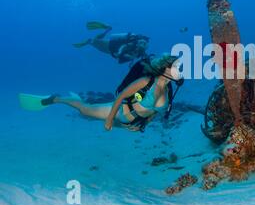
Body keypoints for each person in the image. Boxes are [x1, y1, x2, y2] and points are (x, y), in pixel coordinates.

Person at [19, 54, 184, 132]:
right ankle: (57, 99)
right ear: (164, 68)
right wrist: (109, 120)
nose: (178, 70)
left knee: (87, 110)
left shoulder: (170, 90)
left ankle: (75, 99)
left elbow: (155, 111)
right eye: (175, 67)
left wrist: (144, 124)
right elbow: (120, 96)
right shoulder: (145, 82)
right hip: (119, 113)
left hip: (129, 123)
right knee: (84, 110)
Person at [73, 22, 150, 64]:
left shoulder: (141, 52)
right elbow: (124, 46)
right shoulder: (133, 44)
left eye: (144, 44)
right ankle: (91, 40)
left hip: (112, 49)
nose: (142, 45)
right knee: (96, 42)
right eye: (142, 43)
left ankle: (105, 31)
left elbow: (144, 57)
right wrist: (120, 52)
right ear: (139, 42)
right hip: (111, 47)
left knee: (97, 43)